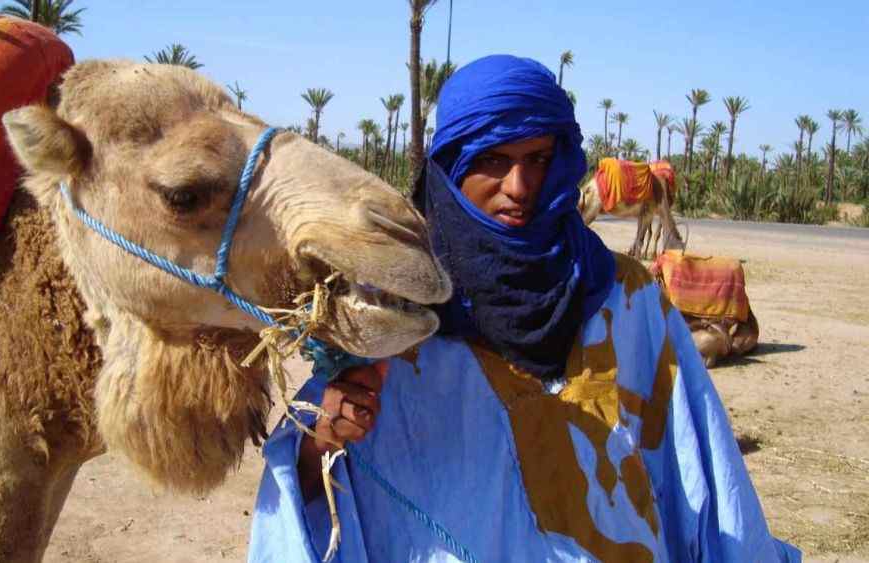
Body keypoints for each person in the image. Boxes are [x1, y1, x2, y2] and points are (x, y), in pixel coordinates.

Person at [248, 55, 799, 562]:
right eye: (493, 160)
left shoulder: (625, 297)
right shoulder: (395, 308)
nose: (519, 186)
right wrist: (324, 433)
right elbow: (308, 478)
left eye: (537, 159)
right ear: (451, 166)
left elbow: (698, 467)